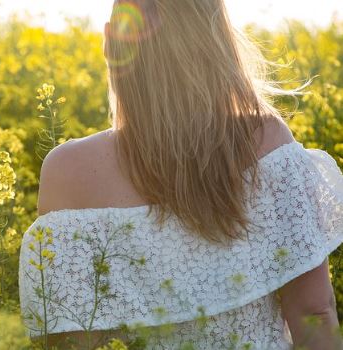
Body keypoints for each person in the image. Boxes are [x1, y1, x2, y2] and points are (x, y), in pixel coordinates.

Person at [19, 0, 343, 348]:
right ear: (217, 39)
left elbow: (70, 341)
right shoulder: (265, 142)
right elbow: (314, 312)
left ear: (110, 41)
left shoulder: (69, 172)